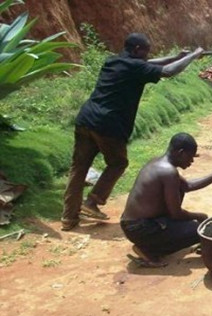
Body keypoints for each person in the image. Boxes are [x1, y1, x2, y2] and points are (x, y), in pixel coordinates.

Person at [61, 32, 204, 231]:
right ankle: (93, 201)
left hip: (85, 119)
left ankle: (69, 217)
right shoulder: (136, 67)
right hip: (108, 125)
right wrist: (194, 55)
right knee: (118, 163)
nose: (147, 56)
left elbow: (150, 63)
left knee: (79, 168)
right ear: (137, 50)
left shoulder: (114, 61)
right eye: (145, 51)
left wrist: (176, 56)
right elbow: (168, 72)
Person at [120, 132, 212, 268]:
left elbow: (187, 186)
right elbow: (176, 213)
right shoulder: (168, 172)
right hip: (141, 228)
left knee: (190, 220)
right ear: (181, 153)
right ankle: (149, 250)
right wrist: (199, 217)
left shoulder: (157, 162)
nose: (191, 162)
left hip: (133, 224)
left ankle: (151, 243)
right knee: (200, 230)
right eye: (190, 157)